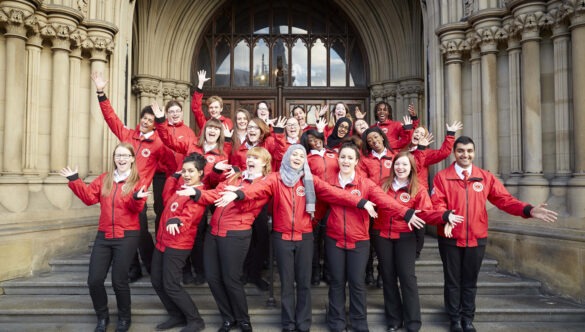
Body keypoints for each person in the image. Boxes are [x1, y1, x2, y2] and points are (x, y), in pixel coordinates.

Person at [215, 145, 379, 332]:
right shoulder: (275, 178)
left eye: (301, 155)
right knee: (286, 284)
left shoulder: (310, 180)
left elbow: (336, 193)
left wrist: (360, 201)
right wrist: (238, 193)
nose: (298, 157)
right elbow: (257, 189)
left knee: (303, 284)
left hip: (305, 238)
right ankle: (288, 324)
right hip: (282, 238)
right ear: (287, 156)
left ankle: (303, 324)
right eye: (294, 154)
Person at [431, 136, 558, 332]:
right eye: (461, 151)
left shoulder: (485, 177)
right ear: (454, 153)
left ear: (474, 153)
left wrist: (528, 210)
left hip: (477, 237)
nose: (465, 154)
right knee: (453, 281)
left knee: (470, 281)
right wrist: (445, 216)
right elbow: (436, 204)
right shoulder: (442, 177)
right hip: (450, 238)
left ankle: (468, 319)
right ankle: (454, 319)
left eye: (469, 151)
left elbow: (505, 200)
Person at [323, 144, 426, 332]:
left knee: (357, 282)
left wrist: (405, 212)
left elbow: (385, 201)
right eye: (342, 157)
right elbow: (322, 205)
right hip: (334, 238)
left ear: (356, 161)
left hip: (359, 239)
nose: (345, 160)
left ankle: (359, 323)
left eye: (350, 158)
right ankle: (336, 322)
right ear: (338, 160)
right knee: (337, 282)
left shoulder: (366, 184)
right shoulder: (328, 181)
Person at [91, 72, 176, 282]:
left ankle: (150, 264)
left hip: (136, 195)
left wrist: (159, 182)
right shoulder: (128, 135)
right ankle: (133, 268)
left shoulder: (158, 145)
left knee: (140, 233)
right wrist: (101, 93)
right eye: (144, 118)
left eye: (150, 120)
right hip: (118, 191)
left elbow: (171, 165)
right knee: (123, 233)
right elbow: (111, 119)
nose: (146, 122)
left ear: (156, 124)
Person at [59, 143, 149, 332]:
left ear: (132, 158)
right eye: (118, 155)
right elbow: (89, 198)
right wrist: (74, 180)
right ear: (114, 158)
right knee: (94, 280)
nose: (121, 159)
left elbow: (135, 210)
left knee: (119, 280)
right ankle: (102, 316)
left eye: (125, 155)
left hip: (127, 235)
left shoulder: (138, 182)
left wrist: (137, 199)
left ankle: (124, 318)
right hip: (104, 235)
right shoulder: (105, 179)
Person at [184, 147, 273, 332]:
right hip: (214, 232)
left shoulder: (265, 182)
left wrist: (237, 193)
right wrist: (196, 193)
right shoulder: (234, 177)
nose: (250, 159)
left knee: (231, 279)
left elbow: (251, 199)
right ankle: (227, 318)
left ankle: (243, 320)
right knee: (213, 278)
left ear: (264, 162)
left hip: (236, 234)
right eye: (249, 156)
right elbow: (215, 194)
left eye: (256, 157)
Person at [375, 151, 463, 332]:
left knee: (407, 278)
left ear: (412, 168)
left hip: (405, 237)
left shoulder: (418, 189)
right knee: (388, 278)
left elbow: (427, 213)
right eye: (397, 164)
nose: (400, 168)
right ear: (393, 166)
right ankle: (394, 320)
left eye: (405, 165)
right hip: (382, 235)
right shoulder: (383, 185)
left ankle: (413, 322)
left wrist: (444, 215)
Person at [151, 153, 208, 332]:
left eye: (191, 171)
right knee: (157, 281)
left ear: (200, 173)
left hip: (178, 245)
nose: (187, 174)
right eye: (184, 171)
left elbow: (190, 216)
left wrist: (178, 221)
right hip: (162, 241)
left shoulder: (199, 193)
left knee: (171, 284)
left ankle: (195, 319)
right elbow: (166, 199)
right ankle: (176, 315)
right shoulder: (182, 188)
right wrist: (173, 178)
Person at [408, 121, 463, 258]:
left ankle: (416, 252)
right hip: (401, 190)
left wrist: (450, 134)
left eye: (422, 134)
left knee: (420, 221)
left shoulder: (426, 153)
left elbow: (444, 153)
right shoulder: (402, 150)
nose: (418, 135)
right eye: (417, 132)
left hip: (419, 191)